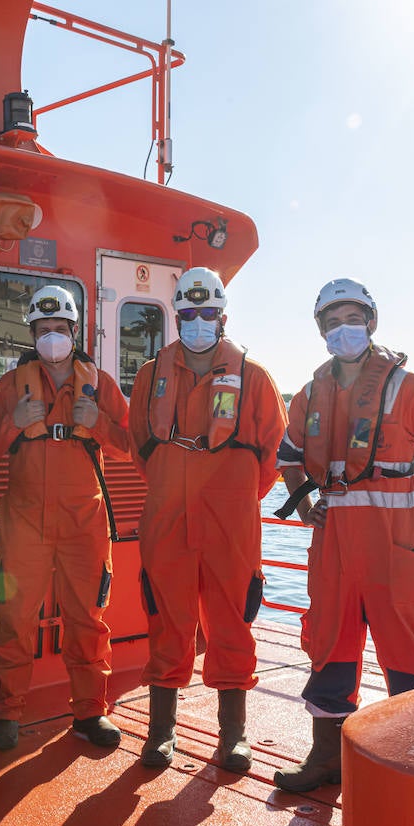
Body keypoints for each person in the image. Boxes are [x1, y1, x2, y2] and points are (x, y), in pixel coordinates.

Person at [272, 278, 414, 792]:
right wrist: (306, 505)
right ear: (320, 332)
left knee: (407, 649)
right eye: (331, 323)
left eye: (351, 320)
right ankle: (326, 760)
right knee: (329, 643)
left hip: (391, 546)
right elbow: (288, 457)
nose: (342, 331)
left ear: (371, 323)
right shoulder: (309, 394)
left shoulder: (408, 386)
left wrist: (413, 505)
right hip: (332, 545)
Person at [127, 266, 287, 773]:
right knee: (166, 620)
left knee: (232, 624)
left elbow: (273, 454)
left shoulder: (255, 378)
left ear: (223, 316)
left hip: (230, 525)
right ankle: (161, 733)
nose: (198, 321)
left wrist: (232, 496)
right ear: (177, 316)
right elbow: (139, 448)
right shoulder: (151, 375)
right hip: (168, 519)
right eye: (189, 313)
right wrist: (176, 486)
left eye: (207, 313)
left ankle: (232, 738)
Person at [0, 285, 133, 751]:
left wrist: (98, 421)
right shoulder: (12, 385)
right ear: (32, 333)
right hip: (24, 521)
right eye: (43, 330)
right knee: (12, 619)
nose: (51, 337)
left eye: (59, 329)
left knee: (88, 620)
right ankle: (6, 714)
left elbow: (129, 447)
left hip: (85, 520)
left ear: (74, 332)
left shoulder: (100, 384)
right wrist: (14, 422)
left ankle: (90, 714)